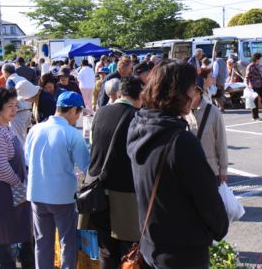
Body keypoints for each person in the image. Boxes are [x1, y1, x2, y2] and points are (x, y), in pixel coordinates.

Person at [127, 61, 228, 268]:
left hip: (150, 245)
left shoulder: (138, 126)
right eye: (192, 87)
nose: (194, 93)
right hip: (183, 252)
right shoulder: (180, 141)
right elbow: (208, 201)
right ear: (178, 93)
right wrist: (219, 227)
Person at [25, 92, 90, 269]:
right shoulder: (71, 133)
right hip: (62, 196)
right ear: (73, 110)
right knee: (67, 241)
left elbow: (26, 159)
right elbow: (86, 166)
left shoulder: (35, 129)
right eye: (79, 113)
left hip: (36, 194)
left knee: (42, 242)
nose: (78, 118)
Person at [87, 77, 143, 268]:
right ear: (140, 95)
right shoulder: (138, 117)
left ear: (120, 93)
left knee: (106, 247)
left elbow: (94, 146)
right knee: (129, 249)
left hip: (97, 190)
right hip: (125, 193)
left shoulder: (101, 113)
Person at [0, 88, 34, 268]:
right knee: (2, 237)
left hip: (11, 189)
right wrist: (19, 184)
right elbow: (1, 168)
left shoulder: (5, 126)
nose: (15, 110)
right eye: (10, 106)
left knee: (18, 231)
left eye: (16, 106)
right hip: (1, 191)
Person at [184, 86, 228, 184]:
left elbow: (221, 142)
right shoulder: (184, 113)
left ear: (199, 91)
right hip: (189, 170)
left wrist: (223, 169)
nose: (187, 94)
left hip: (210, 170)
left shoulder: (214, 111)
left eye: (190, 90)